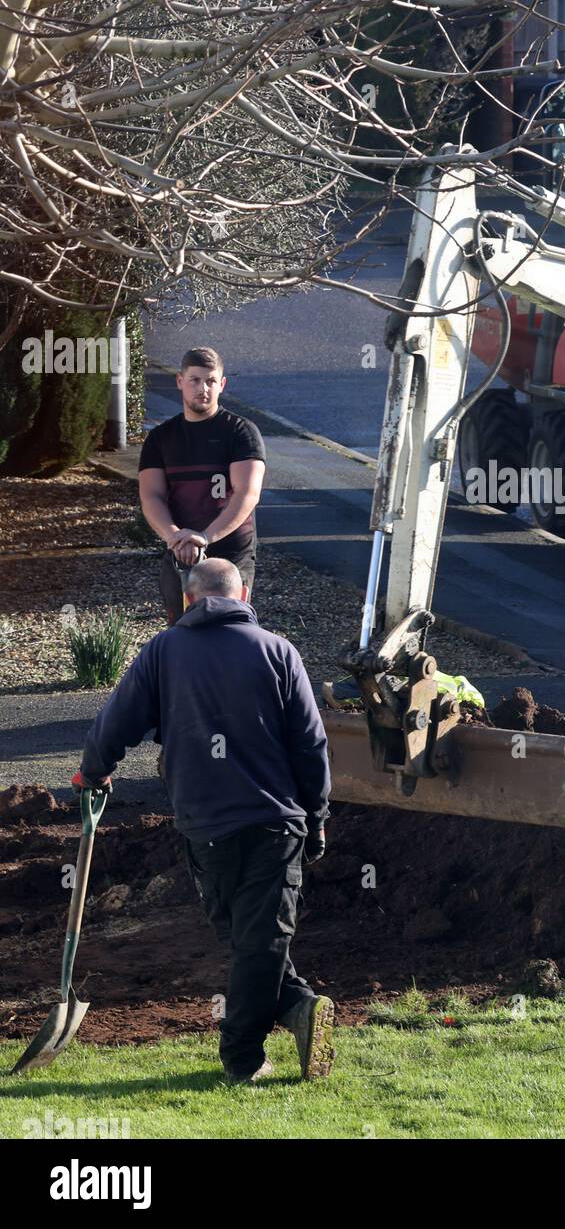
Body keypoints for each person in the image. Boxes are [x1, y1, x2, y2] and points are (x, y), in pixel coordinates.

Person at [73, 558, 333, 1086]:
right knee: (256, 940)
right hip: (274, 821)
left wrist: (92, 773)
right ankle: (271, 1032)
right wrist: (318, 815)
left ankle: (256, 1044)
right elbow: (311, 745)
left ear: (187, 600)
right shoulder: (278, 652)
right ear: (244, 594)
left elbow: (115, 721)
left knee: (251, 939)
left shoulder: (164, 651)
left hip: (204, 825)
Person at [139, 346, 266, 624]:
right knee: (182, 631)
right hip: (180, 553)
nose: (203, 388)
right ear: (180, 381)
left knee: (231, 631)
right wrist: (174, 536)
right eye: (195, 380)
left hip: (231, 555)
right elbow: (151, 496)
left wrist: (206, 537)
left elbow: (247, 494)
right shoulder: (160, 438)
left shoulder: (241, 432)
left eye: (210, 381)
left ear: (222, 384)